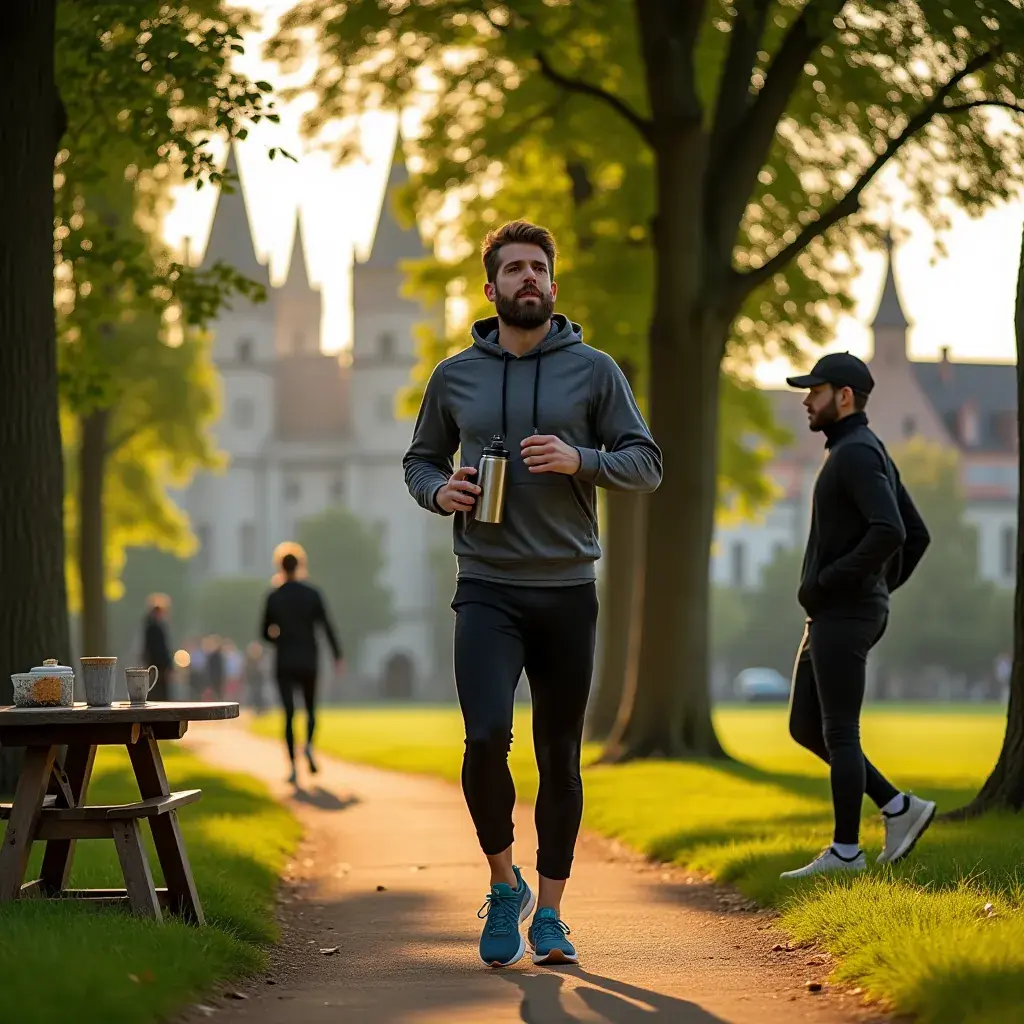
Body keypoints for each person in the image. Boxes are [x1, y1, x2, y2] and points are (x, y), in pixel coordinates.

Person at [403, 220, 662, 968]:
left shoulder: (596, 371)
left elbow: (646, 463)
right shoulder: (454, 376)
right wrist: (438, 489)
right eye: (513, 269)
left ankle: (550, 915)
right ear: (490, 290)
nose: (527, 279)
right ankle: (502, 884)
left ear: (553, 284)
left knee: (559, 756)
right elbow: (419, 459)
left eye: (538, 268)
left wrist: (581, 458)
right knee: (485, 739)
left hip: (566, 589)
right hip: (485, 585)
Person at [780, 352, 934, 879]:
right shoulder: (860, 450)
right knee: (806, 725)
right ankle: (897, 807)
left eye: (815, 391)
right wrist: (876, 586)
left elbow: (891, 530)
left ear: (843, 397)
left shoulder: (857, 453)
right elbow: (917, 533)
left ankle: (846, 852)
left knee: (840, 731)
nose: (806, 399)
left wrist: (843, 584)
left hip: (843, 612)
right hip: (836, 612)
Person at [260, 543, 343, 785]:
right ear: (301, 565)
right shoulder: (312, 594)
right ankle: (308, 746)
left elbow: (264, 633)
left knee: (288, 714)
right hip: (309, 659)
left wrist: (280, 636)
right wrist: (338, 655)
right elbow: (326, 626)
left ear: (280, 567)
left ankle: (293, 767)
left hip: (285, 660)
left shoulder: (274, 596)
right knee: (310, 709)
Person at [141, 594, 174, 701]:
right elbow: (160, 650)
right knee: (159, 694)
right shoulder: (155, 628)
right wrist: (168, 665)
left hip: (153, 666)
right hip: (159, 668)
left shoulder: (149, 626)